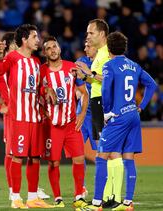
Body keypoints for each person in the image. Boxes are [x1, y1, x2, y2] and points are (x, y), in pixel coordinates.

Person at [78, 32, 157, 211]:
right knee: (128, 158)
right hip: (133, 115)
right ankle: (127, 203)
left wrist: (107, 113)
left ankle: (97, 204)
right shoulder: (134, 65)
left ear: (109, 48)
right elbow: (152, 85)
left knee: (101, 157)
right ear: (124, 48)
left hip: (118, 116)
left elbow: (105, 91)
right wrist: (142, 106)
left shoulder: (109, 65)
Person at [0, 32, 50, 201]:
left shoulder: (25, 64)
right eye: (15, 46)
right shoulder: (0, 68)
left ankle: (32, 190)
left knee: (31, 153)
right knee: (13, 153)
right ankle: (13, 191)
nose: (17, 49)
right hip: (13, 115)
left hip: (29, 113)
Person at [0, 24, 56, 209]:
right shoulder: (12, 57)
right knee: (17, 157)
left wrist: (47, 90)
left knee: (35, 157)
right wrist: (0, 55)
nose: (38, 40)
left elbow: (37, 87)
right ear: (24, 40)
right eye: (34, 36)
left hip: (34, 117)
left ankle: (32, 198)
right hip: (19, 117)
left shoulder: (36, 62)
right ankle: (15, 197)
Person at [79, 19, 123, 207]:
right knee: (108, 151)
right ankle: (108, 196)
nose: (88, 36)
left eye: (91, 33)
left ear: (102, 34)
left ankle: (114, 197)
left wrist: (88, 75)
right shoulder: (100, 55)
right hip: (98, 103)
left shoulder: (107, 54)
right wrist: (85, 77)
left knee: (110, 151)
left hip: (105, 104)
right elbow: (98, 80)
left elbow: (112, 78)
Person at [40, 36, 89, 209]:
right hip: (52, 126)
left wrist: (82, 113)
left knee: (79, 159)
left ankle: (78, 196)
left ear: (59, 49)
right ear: (45, 52)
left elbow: (84, 93)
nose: (52, 50)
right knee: (54, 162)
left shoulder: (71, 68)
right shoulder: (41, 72)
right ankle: (58, 197)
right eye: (48, 48)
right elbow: (36, 97)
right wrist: (46, 91)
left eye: (55, 46)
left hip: (71, 124)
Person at [75, 41, 98, 197]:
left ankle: (105, 188)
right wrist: (78, 90)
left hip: (97, 115)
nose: (85, 49)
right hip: (81, 114)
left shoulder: (104, 63)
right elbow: (74, 80)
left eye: (88, 46)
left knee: (104, 154)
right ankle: (81, 187)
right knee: (78, 152)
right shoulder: (80, 62)